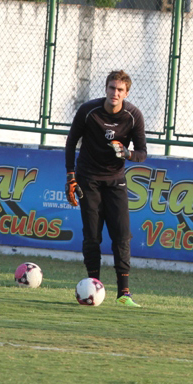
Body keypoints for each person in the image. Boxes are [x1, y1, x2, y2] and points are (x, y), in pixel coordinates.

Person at [65, 70, 147, 307]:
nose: (115, 93)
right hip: (88, 179)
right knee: (92, 236)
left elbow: (142, 152)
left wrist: (127, 153)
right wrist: (71, 176)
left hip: (116, 181)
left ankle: (124, 293)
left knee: (122, 236)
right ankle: (93, 286)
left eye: (120, 90)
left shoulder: (133, 116)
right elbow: (71, 142)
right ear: (106, 89)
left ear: (126, 93)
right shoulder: (88, 111)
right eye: (112, 88)